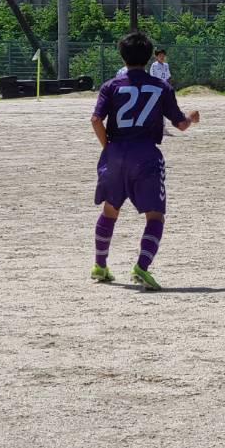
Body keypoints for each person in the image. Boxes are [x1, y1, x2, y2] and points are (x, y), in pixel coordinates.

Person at [90, 31, 201, 289]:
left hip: (116, 154)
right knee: (155, 215)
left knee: (110, 209)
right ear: (150, 56)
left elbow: (96, 120)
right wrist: (191, 118)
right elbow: (180, 124)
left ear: (122, 56)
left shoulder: (111, 86)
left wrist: (109, 147)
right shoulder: (161, 87)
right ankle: (141, 266)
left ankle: (100, 265)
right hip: (146, 155)